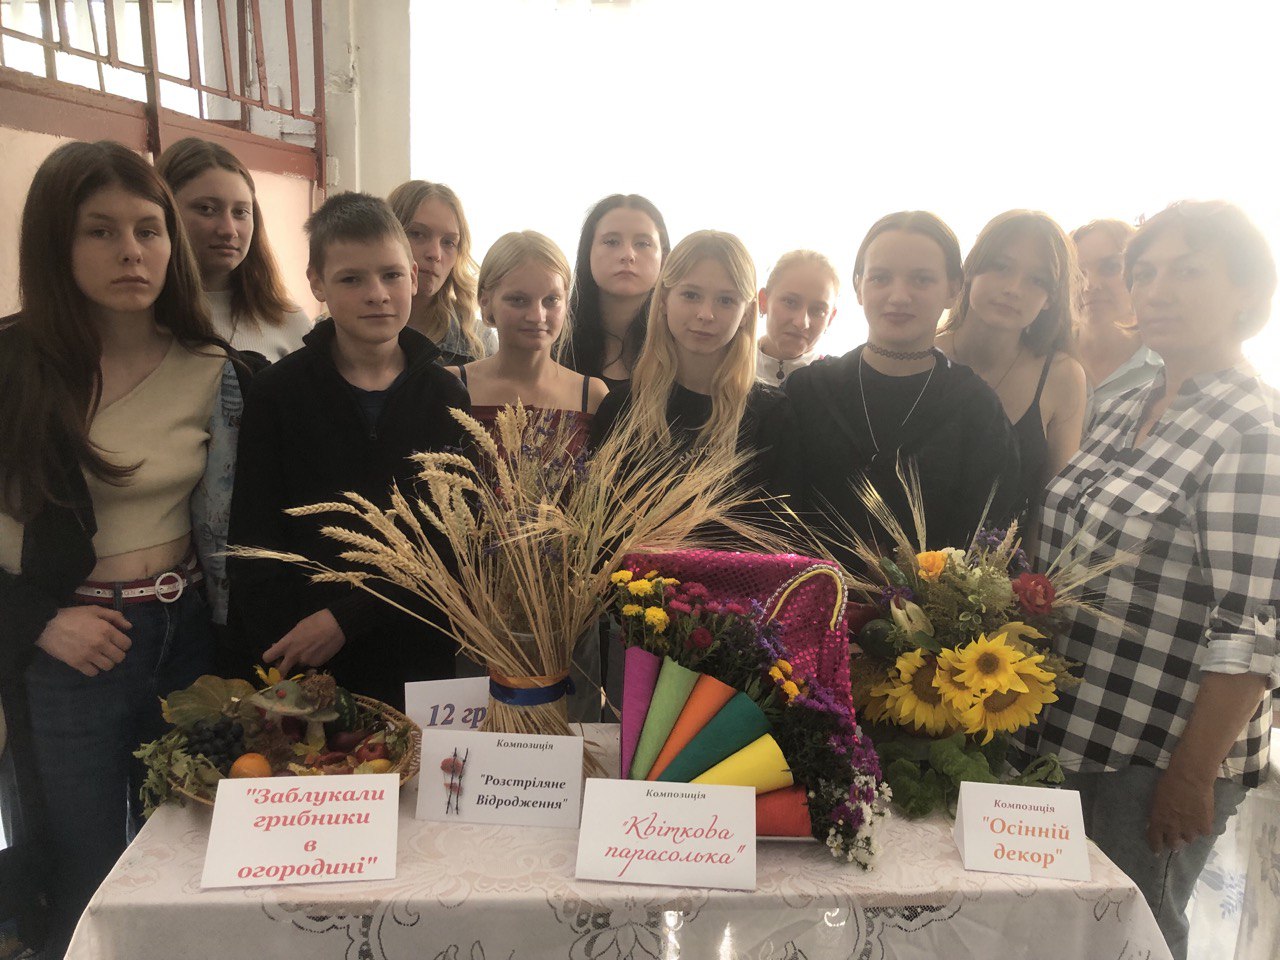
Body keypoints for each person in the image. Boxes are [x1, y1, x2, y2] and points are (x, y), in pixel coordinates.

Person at [0, 140, 246, 957]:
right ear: (55, 242)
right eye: (100, 231)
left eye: (148, 229)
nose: (131, 252)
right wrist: (41, 620)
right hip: (74, 648)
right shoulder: (13, 366)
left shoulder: (210, 367)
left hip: (185, 637)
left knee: (191, 855)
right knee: (86, 870)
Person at [1025, 200, 1279, 960]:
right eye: (1146, 273)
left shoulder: (1254, 431)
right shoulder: (1129, 404)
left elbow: (1252, 631)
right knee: (1054, 938)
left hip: (1152, 760)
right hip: (1069, 732)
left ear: (1246, 291)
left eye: (1188, 272)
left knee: (1128, 942)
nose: (1157, 290)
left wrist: (1190, 778)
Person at [228, 192, 469, 710]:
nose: (377, 295)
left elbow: (450, 544)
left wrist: (347, 618)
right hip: (303, 655)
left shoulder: (445, 396)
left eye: (391, 275)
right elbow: (254, 539)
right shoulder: (277, 393)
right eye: (351, 279)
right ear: (317, 282)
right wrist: (284, 647)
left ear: (413, 275)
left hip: (417, 650)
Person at [786, 212, 1019, 566]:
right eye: (880, 278)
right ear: (859, 286)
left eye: (921, 279)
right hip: (804, 596)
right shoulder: (808, 392)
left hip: (933, 601)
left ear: (953, 289)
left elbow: (986, 547)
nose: (898, 296)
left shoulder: (977, 410)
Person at [451, 231, 608, 718]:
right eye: (518, 299)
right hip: (478, 606)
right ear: (486, 303)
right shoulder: (453, 387)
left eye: (551, 300)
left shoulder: (592, 396)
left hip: (565, 609)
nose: (537, 315)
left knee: (570, 739)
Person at [591, 229, 799, 496]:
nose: (706, 314)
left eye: (726, 300)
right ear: (664, 300)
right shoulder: (620, 408)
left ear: (746, 313)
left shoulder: (772, 417)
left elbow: (782, 521)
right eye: (691, 295)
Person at [936, 210, 1087, 526]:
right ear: (970, 270)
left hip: (1007, 557)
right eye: (1002, 267)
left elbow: (1052, 508)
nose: (1014, 289)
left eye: (1037, 280)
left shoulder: (1062, 376)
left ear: (1050, 298)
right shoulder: (922, 355)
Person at [157, 137, 312, 361]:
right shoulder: (134, 322)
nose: (229, 230)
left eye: (240, 212)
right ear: (164, 211)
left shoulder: (288, 321)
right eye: (206, 209)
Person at [562, 194, 670, 391]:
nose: (628, 255)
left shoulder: (681, 349)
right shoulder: (553, 343)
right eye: (612, 242)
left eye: (643, 244)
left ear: (664, 258)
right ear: (587, 252)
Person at [387, 179, 496, 365]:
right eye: (417, 234)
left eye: (448, 242)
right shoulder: (345, 330)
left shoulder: (477, 342)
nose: (435, 254)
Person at [1071, 219, 1162, 429]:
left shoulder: (1168, 370)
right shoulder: (1041, 360)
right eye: (1077, 274)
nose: (1089, 285)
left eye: (1110, 267)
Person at [755, 250, 839, 385]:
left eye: (818, 310)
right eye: (790, 302)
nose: (801, 323)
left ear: (830, 319)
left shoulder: (837, 383)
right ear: (764, 301)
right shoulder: (726, 367)